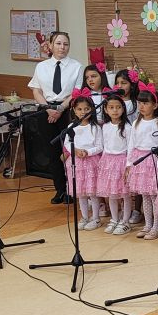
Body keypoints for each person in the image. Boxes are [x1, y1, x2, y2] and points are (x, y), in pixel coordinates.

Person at [28, 30, 83, 203]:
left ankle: (72, 190)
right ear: (50, 45)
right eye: (58, 43)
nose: (62, 47)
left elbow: (76, 92)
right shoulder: (41, 67)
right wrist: (48, 109)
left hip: (67, 111)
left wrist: (60, 109)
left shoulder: (76, 66)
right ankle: (60, 190)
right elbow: (36, 90)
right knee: (52, 153)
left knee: (68, 151)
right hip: (46, 111)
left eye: (66, 44)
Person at [125, 84, 158, 240]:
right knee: (145, 196)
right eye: (139, 103)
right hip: (139, 161)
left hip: (153, 160)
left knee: (154, 196)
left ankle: (156, 226)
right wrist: (129, 164)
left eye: (145, 103)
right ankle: (148, 224)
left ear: (154, 105)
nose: (141, 106)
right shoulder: (136, 123)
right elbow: (131, 144)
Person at [60, 89, 103, 228]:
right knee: (81, 193)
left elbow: (100, 146)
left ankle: (96, 218)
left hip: (91, 162)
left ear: (92, 109)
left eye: (86, 109)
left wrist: (87, 152)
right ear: (74, 110)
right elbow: (67, 143)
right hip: (76, 162)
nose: (83, 112)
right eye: (79, 109)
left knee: (92, 192)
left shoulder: (95, 127)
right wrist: (75, 151)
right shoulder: (71, 126)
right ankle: (84, 217)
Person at [97, 93, 132, 235]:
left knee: (125, 194)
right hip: (108, 162)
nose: (115, 110)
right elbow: (104, 145)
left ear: (123, 109)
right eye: (111, 107)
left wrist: (129, 165)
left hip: (122, 161)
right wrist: (102, 163)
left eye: (118, 107)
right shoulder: (105, 126)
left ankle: (125, 221)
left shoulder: (127, 127)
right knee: (111, 194)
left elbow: (130, 147)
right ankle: (114, 219)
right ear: (105, 110)